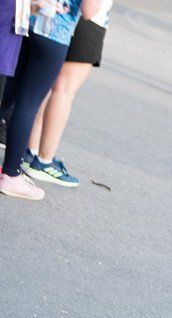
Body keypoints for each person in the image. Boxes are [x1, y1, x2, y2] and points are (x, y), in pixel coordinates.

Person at [0, 0, 103, 201]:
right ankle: (11, 174)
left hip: (26, 21)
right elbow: (89, 11)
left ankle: (11, 171)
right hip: (55, 33)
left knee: (9, 97)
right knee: (28, 104)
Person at [22, 0, 113, 188]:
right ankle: (44, 160)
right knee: (64, 91)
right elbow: (89, 9)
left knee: (49, 88)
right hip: (87, 23)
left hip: (58, 18)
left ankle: (31, 150)